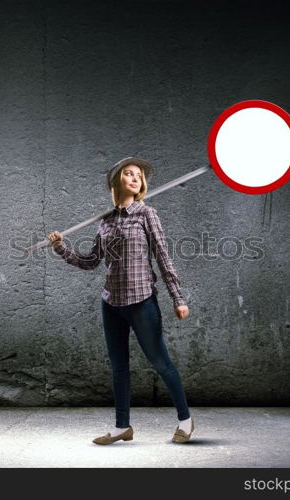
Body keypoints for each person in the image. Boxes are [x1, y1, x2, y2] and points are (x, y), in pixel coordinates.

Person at [46, 156, 195, 445]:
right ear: (116, 181)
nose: (135, 178)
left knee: (161, 363)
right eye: (128, 173)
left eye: (138, 175)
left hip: (141, 302)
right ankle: (121, 427)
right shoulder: (105, 220)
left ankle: (186, 421)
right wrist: (60, 248)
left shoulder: (146, 214)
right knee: (119, 366)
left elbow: (163, 257)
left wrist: (178, 297)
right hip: (111, 303)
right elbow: (91, 262)